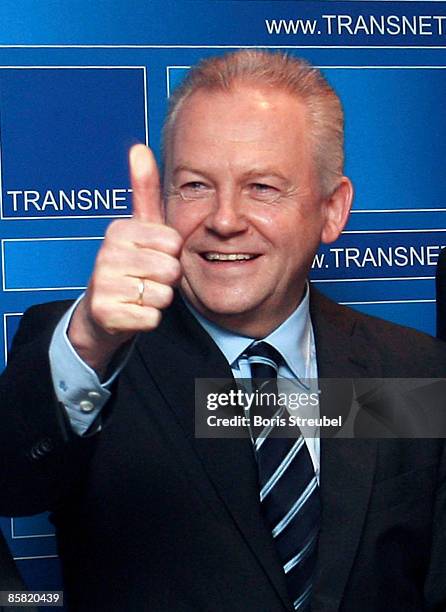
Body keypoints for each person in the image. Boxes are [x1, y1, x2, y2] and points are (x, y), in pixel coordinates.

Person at [1, 50, 446, 612]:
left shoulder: (412, 369)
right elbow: (12, 481)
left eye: (262, 186)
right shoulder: (93, 353)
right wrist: (91, 337)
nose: (225, 219)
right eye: (194, 186)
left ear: (333, 211)